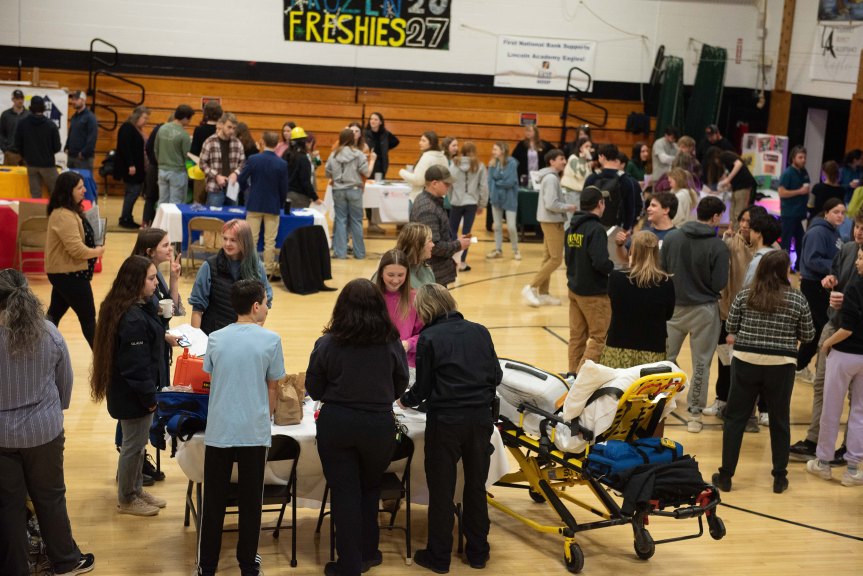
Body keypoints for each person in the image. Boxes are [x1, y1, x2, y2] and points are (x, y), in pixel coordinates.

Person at [398, 284, 502, 574]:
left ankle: (439, 556)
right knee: (475, 487)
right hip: (481, 420)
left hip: (445, 423)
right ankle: (478, 553)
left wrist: (405, 400)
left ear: (427, 310)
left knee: (441, 492)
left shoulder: (429, 337)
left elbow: (423, 388)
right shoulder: (480, 330)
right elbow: (497, 375)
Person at [307, 279, 408, 576]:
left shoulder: (327, 343)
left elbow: (313, 388)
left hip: (337, 423)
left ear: (341, 307)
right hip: (378, 424)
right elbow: (400, 384)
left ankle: (349, 563)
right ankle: (369, 553)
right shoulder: (390, 342)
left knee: (344, 491)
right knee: (370, 487)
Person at [0, 269, 96, 576]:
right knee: (51, 497)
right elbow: (64, 383)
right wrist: (55, 410)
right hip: (44, 431)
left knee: (8, 506)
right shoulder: (49, 332)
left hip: (1, 436)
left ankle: (17, 568)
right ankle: (65, 560)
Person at [195, 280, 285, 576]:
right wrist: (265, 417)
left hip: (220, 429)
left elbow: (211, 376)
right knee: (250, 503)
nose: (268, 308)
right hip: (253, 431)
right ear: (256, 306)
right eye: (266, 303)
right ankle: (248, 564)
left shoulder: (216, 338)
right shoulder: (271, 340)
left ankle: (207, 565)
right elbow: (273, 387)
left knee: (214, 502)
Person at [713, 250, 815, 494]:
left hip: (746, 361)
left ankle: (726, 475)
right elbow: (809, 335)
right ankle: (779, 477)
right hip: (781, 365)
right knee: (780, 421)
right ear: (784, 271)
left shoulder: (746, 295)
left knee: (736, 419)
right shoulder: (797, 299)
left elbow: (732, 326)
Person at [91, 255, 168, 517]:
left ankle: (135, 488)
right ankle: (126, 498)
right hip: (134, 395)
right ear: (135, 281)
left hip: (129, 392)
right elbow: (136, 368)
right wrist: (149, 398)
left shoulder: (131, 307)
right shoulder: (132, 319)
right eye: (151, 278)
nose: (156, 283)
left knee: (137, 444)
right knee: (133, 446)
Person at [791, 211, 863, 461]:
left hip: (853, 334)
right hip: (835, 324)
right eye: (857, 226)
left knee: (857, 398)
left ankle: (850, 450)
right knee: (822, 387)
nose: (859, 232)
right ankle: (814, 440)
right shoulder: (848, 249)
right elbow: (835, 279)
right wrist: (829, 282)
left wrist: (850, 302)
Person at [661, 196, 729, 432]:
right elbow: (720, 282)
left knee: (664, 359)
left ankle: (660, 406)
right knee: (701, 363)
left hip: (673, 308)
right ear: (716, 217)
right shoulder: (718, 245)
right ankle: (694, 415)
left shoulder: (671, 237)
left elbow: (662, 270)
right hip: (704, 310)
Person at [706, 206, 769, 429]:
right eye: (741, 220)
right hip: (729, 312)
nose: (744, 225)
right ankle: (721, 399)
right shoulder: (731, 243)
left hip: (758, 318)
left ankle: (764, 409)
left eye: (748, 222)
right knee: (725, 360)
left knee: (759, 364)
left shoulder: (770, 249)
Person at [810, 246, 863, 487]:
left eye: (862, 258)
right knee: (860, 412)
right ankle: (853, 469)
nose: (857, 262)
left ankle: (823, 462)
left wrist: (827, 344)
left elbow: (847, 328)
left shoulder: (854, 287)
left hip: (844, 354)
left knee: (831, 409)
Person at [45, 171, 104, 348]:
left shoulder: (70, 211)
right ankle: (105, 365)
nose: (85, 190)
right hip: (70, 275)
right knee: (88, 319)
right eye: (80, 187)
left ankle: (36, 348)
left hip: (67, 273)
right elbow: (77, 250)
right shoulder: (63, 215)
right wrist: (98, 251)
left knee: (53, 315)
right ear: (68, 191)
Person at [600, 231, 675, 368]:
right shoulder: (665, 282)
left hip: (618, 347)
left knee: (618, 388)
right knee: (648, 389)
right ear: (656, 253)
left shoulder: (616, 278)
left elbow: (614, 306)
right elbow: (668, 315)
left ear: (632, 251)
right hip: (653, 350)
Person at [189, 219, 273, 335]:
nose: (227, 244)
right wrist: (196, 342)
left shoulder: (256, 267)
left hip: (244, 336)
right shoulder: (209, 266)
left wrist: (254, 332)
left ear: (245, 242)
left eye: (233, 240)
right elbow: (197, 308)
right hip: (213, 334)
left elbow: (266, 301)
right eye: (225, 238)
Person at [796, 198, 846, 383]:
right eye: (836, 212)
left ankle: (799, 365)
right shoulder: (818, 232)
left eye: (843, 212)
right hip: (814, 286)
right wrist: (838, 267)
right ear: (826, 213)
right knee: (827, 325)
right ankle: (822, 372)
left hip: (824, 285)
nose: (840, 215)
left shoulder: (834, 232)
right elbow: (812, 260)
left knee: (816, 329)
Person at [565, 186, 614, 372]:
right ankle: (580, 378)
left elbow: (567, 259)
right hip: (594, 293)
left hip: (574, 289)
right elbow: (601, 262)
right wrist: (614, 269)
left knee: (577, 337)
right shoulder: (596, 229)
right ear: (599, 204)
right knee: (600, 338)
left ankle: (571, 375)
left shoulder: (571, 228)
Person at [522, 149, 576, 307]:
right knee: (556, 259)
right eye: (561, 158)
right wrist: (568, 207)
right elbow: (551, 203)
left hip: (549, 221)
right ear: (552, 161)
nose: (564, 161)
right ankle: (531, 287)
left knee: (547, 258)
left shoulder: (550, 177)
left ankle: (543, 294)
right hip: (552, 221)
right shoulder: (551, 178)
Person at [409, 165, 471, 286]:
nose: (449, 186)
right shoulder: (428, 209)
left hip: (434, 272)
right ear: (434, 183)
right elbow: (434, 246)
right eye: (446, 184)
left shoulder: (429, 201)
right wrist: (458, 245)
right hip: (433, 274)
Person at [239, 131, 289, 276]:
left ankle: (250, 269)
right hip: (272, 205)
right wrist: (280, 203)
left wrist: (247, 191)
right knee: (270, 241)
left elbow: (242, 178)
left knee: (252, 239)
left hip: (254, 203)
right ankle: (267, 271)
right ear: (277, 143)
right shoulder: (282, 163)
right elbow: (284, 188)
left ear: (262, 142)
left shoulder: (254, 159)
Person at [374, 248, 424, 382]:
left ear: (407, 274)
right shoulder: (371, 297)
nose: (395, 280)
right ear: (380, 273)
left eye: (400, 275)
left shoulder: (416, 298)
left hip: (406, 364)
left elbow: (424, 334)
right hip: (375, 362)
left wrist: (409, 344)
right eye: (390, 275)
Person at [327, 128, 373, 260]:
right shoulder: (358, 154)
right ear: (353, 139)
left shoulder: (334, 155)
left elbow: (327, 172)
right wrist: (373, 161)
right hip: (354, 189)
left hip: (338, 189)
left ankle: (340, 253)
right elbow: (366, 173)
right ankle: (359, 253)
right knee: (356, 222)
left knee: (340, 221)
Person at [583, 143, 641, 232]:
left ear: (602, 157)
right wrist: (626, 229)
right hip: (616, 228)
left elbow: (584, 205)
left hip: (592, 226)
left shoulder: (592, 178)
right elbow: (630, 208)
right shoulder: (625, 180)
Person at [449, 141, 488, 271]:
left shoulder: (454, 164)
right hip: (471, 203)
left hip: (456, 202)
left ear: (462, 151)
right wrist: (482, 204)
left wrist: (450, 199)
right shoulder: (479, 165)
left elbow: (449, 184)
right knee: (467, 233)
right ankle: (462, 262)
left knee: (452, 231)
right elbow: (483, 187)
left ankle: (453, 258)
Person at [14, 95, 60, 198]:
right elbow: (57, 147)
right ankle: (54, 214)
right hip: (48, 164)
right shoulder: (51, 125)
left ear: (30, 107)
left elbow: (18, 144)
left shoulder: (22, 124)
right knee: (56, 193)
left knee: (35, 195)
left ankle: (35, 214)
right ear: (43, 107)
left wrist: (25, 157)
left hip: (31, 164)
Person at [114, 105, 150, 228]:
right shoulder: (127, 128)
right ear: (137, 116)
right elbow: (125, 147)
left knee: (133, 192)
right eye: (144, 118)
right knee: (132, 192)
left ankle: (127, 216)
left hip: (137, 167)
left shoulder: (136, 129)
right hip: (132, 167)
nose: (146, 121)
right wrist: (130, 164)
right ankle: (125, 218)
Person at [199, 112, 245, 207]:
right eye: (229, 127)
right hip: (215, 188)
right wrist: (216, 176)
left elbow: (243, 162)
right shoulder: (209, 142)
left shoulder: (237, 143)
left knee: (233, 219)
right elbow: (202, 163)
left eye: (234, 128)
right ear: (221, 125)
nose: (232, 131)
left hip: (232, 187)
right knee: (214, 219)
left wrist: (235, 173)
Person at [485, 141, 520, 260]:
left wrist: (497, 181)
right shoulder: (492, 163)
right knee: (497, 226)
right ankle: (498, 249)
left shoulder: (512, 163)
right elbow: (489, 181)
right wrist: (497, 184)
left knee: (511, 226)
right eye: (493, 149)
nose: (493, 151)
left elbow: (510, 182)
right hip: (496, 197)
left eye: (495, 149)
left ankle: (516, 250)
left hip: (510, 198)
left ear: (503, 150)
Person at [778, 146, 811, 269]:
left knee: (801, 241)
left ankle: (798, 266)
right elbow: (782, 193)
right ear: (793, 158)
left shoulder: (804, 172)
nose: (803, 160)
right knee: (786, 241)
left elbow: (807, 188)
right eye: (800, 157)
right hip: (789, 213)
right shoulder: (788, 173)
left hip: (800, 213)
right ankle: (782, 266)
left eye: (804, 157)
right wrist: (800, 191)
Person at [155, 104, 194, 204]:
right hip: (178, 172)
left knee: (162, 201)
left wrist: (161, 163)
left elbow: (156, 149)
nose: (190, 122)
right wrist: (190, 170)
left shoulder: (162, 129)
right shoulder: (184, 135)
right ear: (185, 118)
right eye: (190, 119)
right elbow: (187, 156)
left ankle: (162, 220)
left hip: (162, 170)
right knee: (175, 203)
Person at [399, 131, 447, 201]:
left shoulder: (427, 157)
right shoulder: (443, 157)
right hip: (440, 196)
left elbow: (418, 180)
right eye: (421, 140)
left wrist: (402, 172)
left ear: (431, 144)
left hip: (423, 198)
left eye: (423, 141)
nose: (420, 143)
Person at [283, 126, 319, 208]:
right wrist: (315, 197)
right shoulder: (303, 158)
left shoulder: (286, 154)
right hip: (299, 198)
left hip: (285, 195)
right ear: (303, 142)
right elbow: (305, 181)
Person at [395, 222, 436, 289]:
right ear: (416, 244)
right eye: (430, 241)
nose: (433, 245)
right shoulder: (393, 272)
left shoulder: (427, 270)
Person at [65, 91, 98, 171]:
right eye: (72, 99)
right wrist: (67, 147)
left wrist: (83, 153)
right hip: (71, 156)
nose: (73, 102)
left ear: (83, 100)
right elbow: (71, 133)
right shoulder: (74, 116)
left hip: (83, 159)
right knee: (71, 182)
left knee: (84, 181)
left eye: (76, 99)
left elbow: (92, 137)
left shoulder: (90, 117)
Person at [364, 111, 399, 178]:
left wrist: (385, 148)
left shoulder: (385, 134)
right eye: (371, 119)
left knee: (378, 183)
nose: (373, 121)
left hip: (380, 163)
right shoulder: (364, 133)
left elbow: (396, 142)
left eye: (375, 119)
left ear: (380, 122)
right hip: (367, 162)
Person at [560, 136, 592, 209]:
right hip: (571, 192)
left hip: (580, 192)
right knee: (571, 216)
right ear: (580, 148)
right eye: (586, 146)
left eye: (590, 146)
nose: (589, 149)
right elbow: (580, 175)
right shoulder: (573, 158)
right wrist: (582, 159)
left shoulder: (585, 161)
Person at [0, 88, 28, 165]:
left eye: (22, 98)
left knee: (26, 177)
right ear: (13, 99)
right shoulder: (5, 115)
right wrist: (5, 150)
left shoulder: (29, 115)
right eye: (17, 98)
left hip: (27, 154)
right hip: (11, 153)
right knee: (9, 177)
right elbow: (1, 133)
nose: (20, 100)